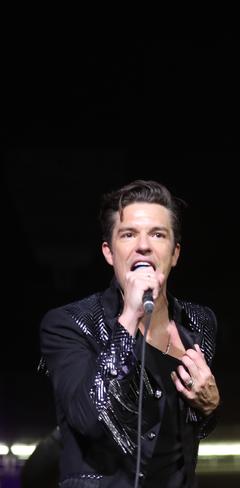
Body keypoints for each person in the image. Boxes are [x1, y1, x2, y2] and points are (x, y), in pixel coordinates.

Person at [39, 180, 220, 487]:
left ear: (174, 253)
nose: (144, 245)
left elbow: (185, 432)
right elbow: (89, 418)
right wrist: (128, 318)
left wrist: (210, 407)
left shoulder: (198, 323)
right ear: (109, 252)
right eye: (128, 234)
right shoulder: (68, 323)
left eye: (158, 234)